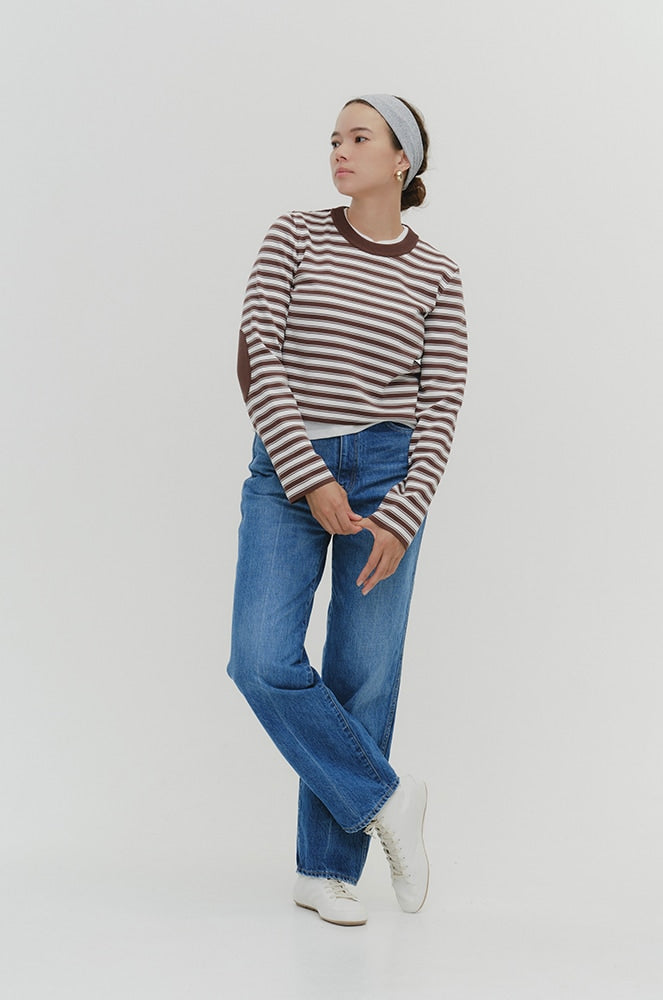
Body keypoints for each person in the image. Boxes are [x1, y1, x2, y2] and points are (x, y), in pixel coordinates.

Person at [227, 94, 467, 926]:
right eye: (333, 138)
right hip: (287, 471)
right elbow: (256, 355)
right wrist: (307, 476)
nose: (339, 149)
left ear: (402, 160)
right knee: (259, 659)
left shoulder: (437, 273)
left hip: (387, 481)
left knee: (362, 673)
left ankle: (325, 870)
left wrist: (403, 512)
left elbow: (440, 402)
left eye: (359, 137)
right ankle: (385, 797)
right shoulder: (292, 235)